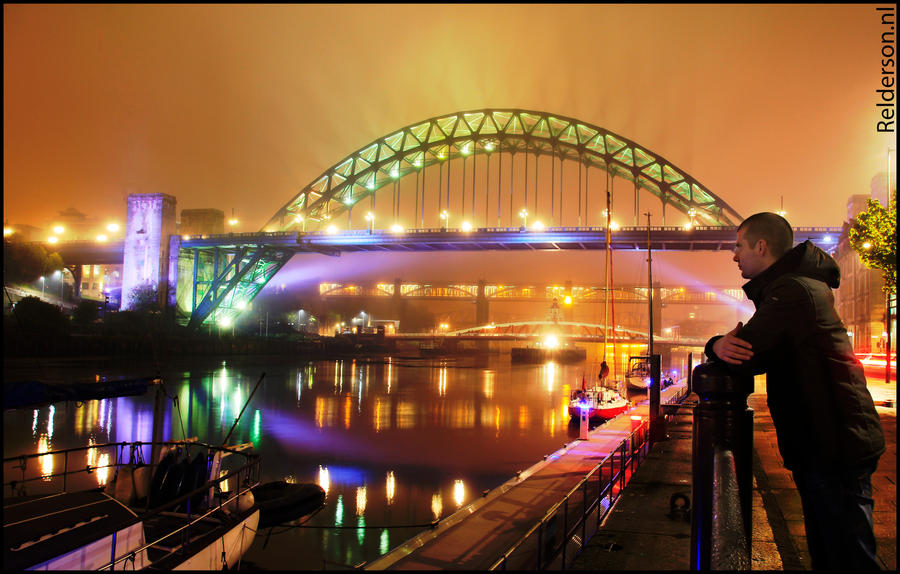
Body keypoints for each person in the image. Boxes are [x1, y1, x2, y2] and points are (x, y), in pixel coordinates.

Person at [704, 212, 885, 571]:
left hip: (833, 443)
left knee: (848, 556)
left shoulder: (791, 292)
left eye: (739, 246)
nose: (734, 255)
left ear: (761, 246)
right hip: (833, 438)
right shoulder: (795, 286)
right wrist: (721, 345)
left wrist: (713, 346)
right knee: (836, 551)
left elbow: (746, 353)